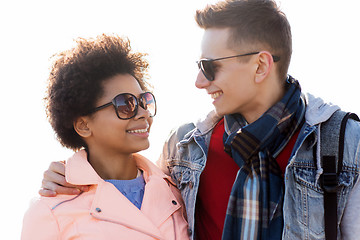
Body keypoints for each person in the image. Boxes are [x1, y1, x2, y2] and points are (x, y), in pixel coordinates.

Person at [39, 0, 360, 239]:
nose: (199, 82)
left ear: (261, 66)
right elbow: (129, 193)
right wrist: (71, 174)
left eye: (210, 67)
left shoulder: (344, 143)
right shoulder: (185, 149)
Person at [21, 34, 189, 240]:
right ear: (83, 125)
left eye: (143, 101)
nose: (143, 112)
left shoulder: (179, 188)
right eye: (125, 104)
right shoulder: (50, 212)